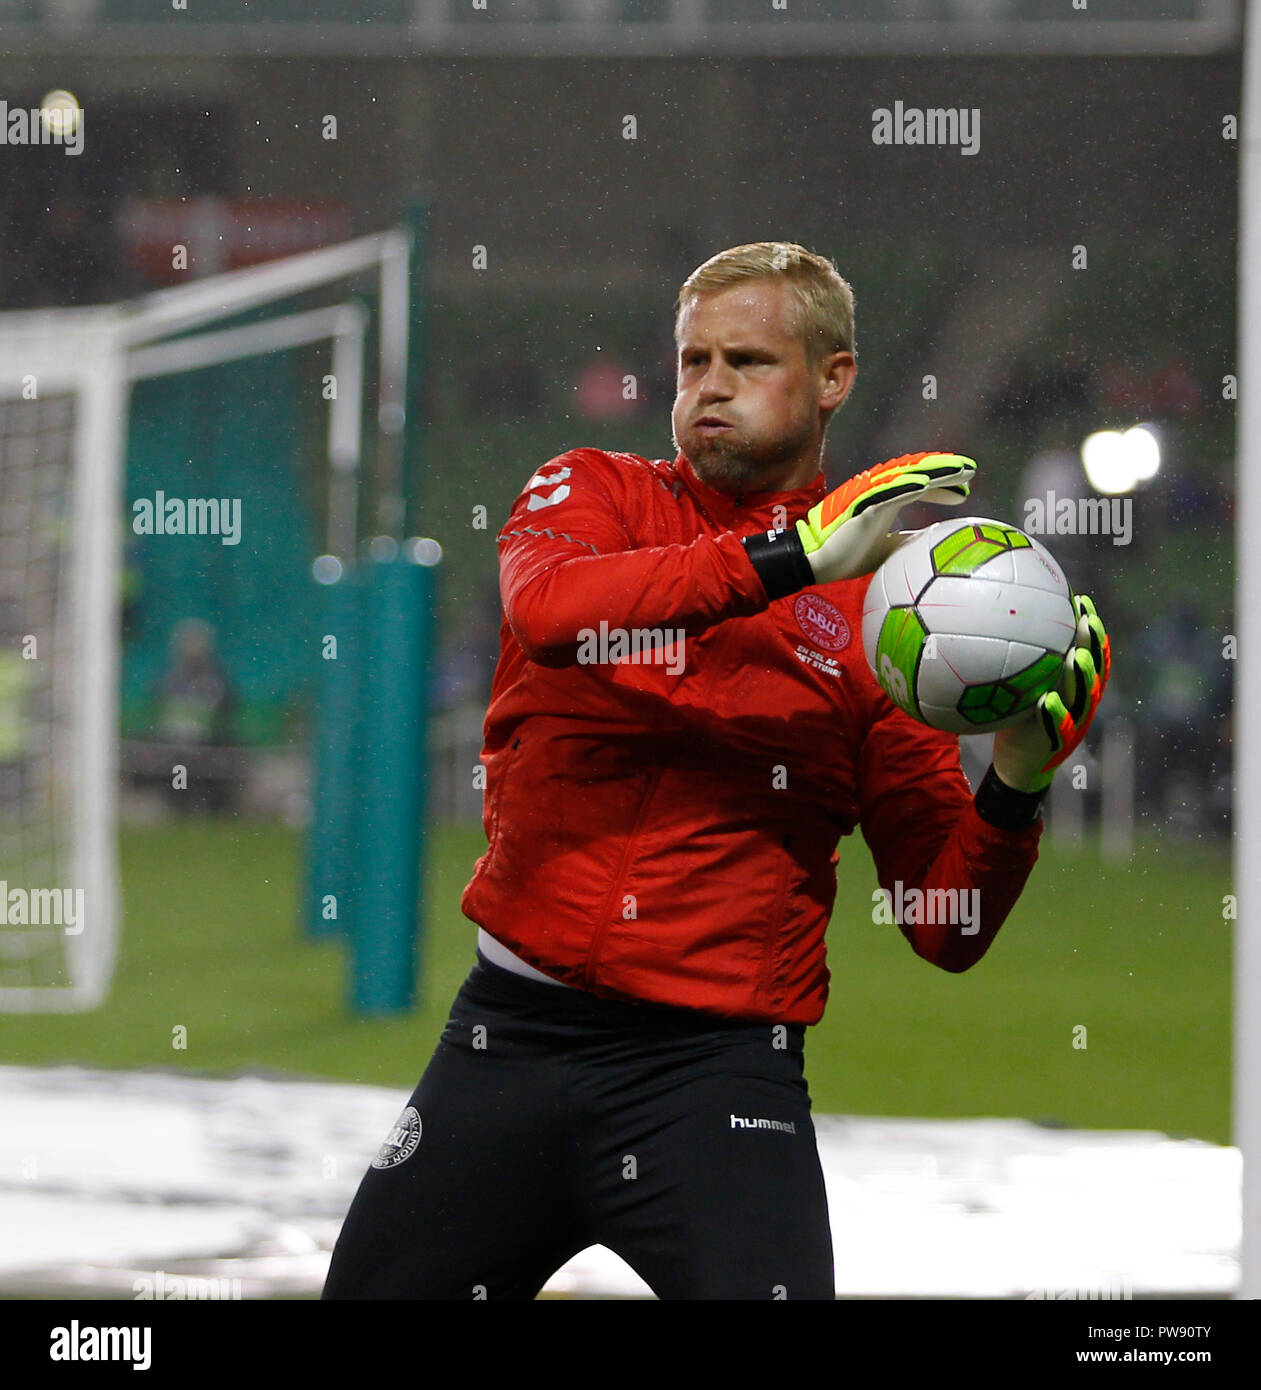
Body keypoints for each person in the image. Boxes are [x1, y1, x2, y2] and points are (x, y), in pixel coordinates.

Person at [322, 241, 1110, 1301]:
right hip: (506, 1045)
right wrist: (787, 559)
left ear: (834, 379)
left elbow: (943, 921)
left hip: (713, 1078)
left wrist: (1014, 780)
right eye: (693, 361)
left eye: (746, 360)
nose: (709, 387)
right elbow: (552, 614)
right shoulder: (588, 492)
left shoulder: (884, 626)